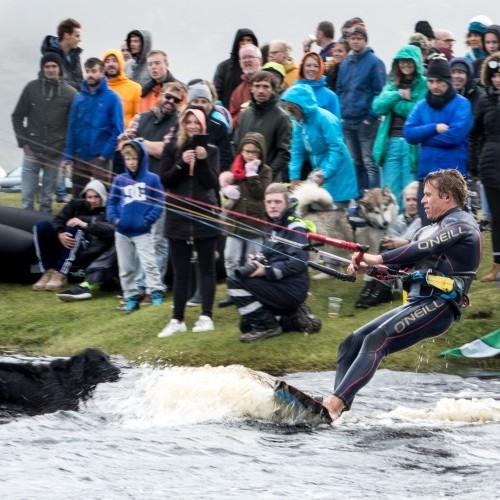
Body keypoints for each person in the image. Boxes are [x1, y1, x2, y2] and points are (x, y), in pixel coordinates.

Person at [321, 169, 482, 421]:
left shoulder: (462, 224)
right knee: (351, 342)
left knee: (377, 340)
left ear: (447, 196)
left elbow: (428, 247)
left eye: (428, 195)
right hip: (418, 302)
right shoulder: (425, 230)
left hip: (440, 305)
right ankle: (338, 408)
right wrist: (370, 268)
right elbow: (400, 269)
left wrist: (377, 256)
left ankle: (334, 405)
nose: (422, 200)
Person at [227, 183, 320, 342]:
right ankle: (292, 317)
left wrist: (266, 271)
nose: (272, 206)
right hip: (280, 284)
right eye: (269, 202)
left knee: (235, 281)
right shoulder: (273, 224)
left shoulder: (294, 226)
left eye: (277, 202)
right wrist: (258, 258)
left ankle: (268, 326)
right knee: (246, 325)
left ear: (287, 203)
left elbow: (299, 262)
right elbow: (271, 253)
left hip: (292, 288)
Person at [158, 108, 220, 337]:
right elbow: (166, 180)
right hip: (177, 218)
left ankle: (206, 316)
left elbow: (212, 183)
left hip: (205, 217)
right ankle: (177, 319)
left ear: (203, 126)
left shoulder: (212, 150)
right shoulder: (171, 148)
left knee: (206, 269)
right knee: (181, 271)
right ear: (183, 124)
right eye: (189, 122)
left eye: (197, 122)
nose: (193, 126)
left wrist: (202, 161)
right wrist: (181, 164)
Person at [404, 56, 473, 225]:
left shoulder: (462, 105)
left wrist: (424, 138)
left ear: (448, 81)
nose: (435, 86)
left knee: (453, 231)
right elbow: (409, 134)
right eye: (431, 81)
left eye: (439, 81)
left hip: (452, 181)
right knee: (429, 231)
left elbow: (455, 136)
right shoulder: (421, 106)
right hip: (426, 179)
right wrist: (433, 128)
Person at [12, 53, 77, 213]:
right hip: (32, 150)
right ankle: (24, 232)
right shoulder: (31, 88)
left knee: (47, 200)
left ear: (59, 68)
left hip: (55, 153)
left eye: (54, 66)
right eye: (47, 66)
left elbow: (74, 123)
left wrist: (65, 148)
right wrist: (23, 142)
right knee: (27, 198)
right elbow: (17, 116)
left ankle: (42, 234)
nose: (50, 70)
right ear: (42, 68)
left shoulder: (70, 93)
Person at [107, 141, 166, 313]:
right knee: (125, 268)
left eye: (134, 158)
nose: (131, 162)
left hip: (143, 231)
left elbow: (159, 203)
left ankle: (156, 291)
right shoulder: (119, 180)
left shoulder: (153, 179)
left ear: (142, 159)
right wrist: (115, 220)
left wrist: (147, 220)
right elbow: (112, 203)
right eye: (127, 159)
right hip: (122, 232)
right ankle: (130, 296)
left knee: (149, 263)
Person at [217, 132, 272, 307]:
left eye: (254, 152)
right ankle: (234, 291)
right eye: (246, 151)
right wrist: (226, 190)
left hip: (255, 222)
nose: (249, 155)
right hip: (235, 221)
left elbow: (260, 193)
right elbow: (228, 189)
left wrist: (252, 175)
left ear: (261, 153)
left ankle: (253, 291)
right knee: (230, 257)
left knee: (253, 260)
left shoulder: (265, 171)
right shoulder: (236, 167)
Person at [282, 84, 358, 207]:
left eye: (292, 110)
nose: (290, 114)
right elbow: (296, 150)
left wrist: (326, 173)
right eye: (287, 110)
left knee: (336, 216)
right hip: (320, 171)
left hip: (338, 172)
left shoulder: (325, 119)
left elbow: (336, 149)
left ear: (302, 106)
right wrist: (294, 177)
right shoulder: (299, 122)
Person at [32, 180, 114, 292]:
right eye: (89, 197)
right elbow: (58, 220)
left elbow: (108, 230)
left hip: (89, 246)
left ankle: (61, 273)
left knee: (74, 229)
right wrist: (60, 233)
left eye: (96, 197)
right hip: (67, 241)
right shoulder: (75, 204)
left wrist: (83, 223)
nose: (93, 201)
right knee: (42, 225)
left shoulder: (109, 211)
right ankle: (47, 271)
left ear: (103, 197)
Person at [372, 44, 428, 209]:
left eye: (409, 61)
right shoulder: (393, 83)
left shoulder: (423, 84)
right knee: (391, 192)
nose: (405, 64)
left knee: (410, 191)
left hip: (412, 144)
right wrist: (399, 94)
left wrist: (394, 104)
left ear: (417, 62)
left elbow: (417, 111)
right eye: (401, 61)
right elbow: (376, 107)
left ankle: (411, 230)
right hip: (391, 142)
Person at [336, 23, 386, 195]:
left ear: (365, 41)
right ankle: (359, 200)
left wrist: (371, 117)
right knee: (355, 162)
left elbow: (379, 92)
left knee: (369, 162)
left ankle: (374, 197)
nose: (355, 42)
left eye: (359, 38)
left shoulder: (375, 63)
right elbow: (340, 89)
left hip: (366, 122)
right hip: (348, 121)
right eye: (352, 38)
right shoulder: (345, 63)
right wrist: (342, 113)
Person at [63, 57, 124, 197]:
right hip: (79, 156)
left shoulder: (112, 98)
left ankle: (100, 219)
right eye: (88, 71)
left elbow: (118, 130)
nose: (90, 75)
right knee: (78, 196)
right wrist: (68, 155)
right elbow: (71, 127)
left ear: (102, 72)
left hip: (100, 157)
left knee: (101, 196)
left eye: (94, 71)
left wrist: (105, 154)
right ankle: (77, 218)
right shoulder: (78, 98)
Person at [469, 51, 500, 282]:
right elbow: (475, 134)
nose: (497, 79)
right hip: (490, 165)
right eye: (494, 75)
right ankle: (497, 265)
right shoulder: (484, 100)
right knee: (496, 218)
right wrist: (475, 163)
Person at [233, 71, 291, 181]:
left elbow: (283, 154)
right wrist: (240, 171)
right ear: (251, 89)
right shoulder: (245, 114)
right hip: (244, 180)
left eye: (265, 87)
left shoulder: (282, 117)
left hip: (268, 182)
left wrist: (266, 176)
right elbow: (236, 145)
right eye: (257, 86)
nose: (261, 91)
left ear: (273, 90)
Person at [213, 28, 258, 109]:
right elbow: (216, 92)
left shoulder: (260, 67)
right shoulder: (224, 67)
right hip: (228, 113)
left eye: (248, 40)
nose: (245, 43)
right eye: (242, 40)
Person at [102, 49, 141, 128]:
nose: (111, 64)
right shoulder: (98, 89)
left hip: (125, 137)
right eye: (107, 61)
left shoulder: (135, 88)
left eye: (114, 61)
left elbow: (138, 119)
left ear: (121, 63)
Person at [295, 51, 340, 118]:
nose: (312, 69)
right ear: (302, 68)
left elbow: (335, 123)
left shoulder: (330, 96)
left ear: (320, 69)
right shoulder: (295, 91)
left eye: (316, 66)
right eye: (308, 65)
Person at [41, 18, 83, 90]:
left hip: (76, 99)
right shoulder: (50, 56)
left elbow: (80, 80)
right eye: (77, 36)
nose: (80, 40)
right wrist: (80, 87)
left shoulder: (75, 55)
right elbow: (55, 83)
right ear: (66, 35)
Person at [229, 44, 263, 128]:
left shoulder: (271, 82)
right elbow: (232, 123)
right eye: (243, 58)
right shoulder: (237, 92)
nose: (247, 60)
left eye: (250, 56)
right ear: (240, 63)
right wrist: (243, 114)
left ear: (260, 61)